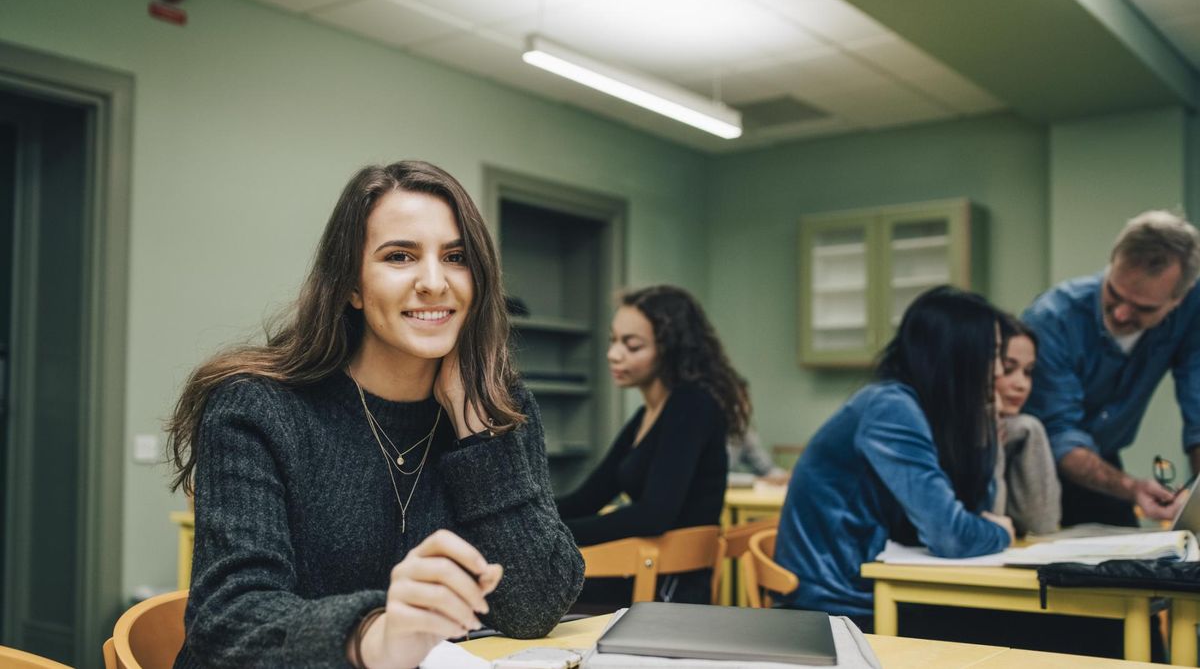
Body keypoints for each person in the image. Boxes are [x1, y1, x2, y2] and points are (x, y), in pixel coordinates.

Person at [167, 161, 583, 669]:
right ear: (352, 286)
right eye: (400, 256)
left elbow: (536, 609)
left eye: (455, 257)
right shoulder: (255, 408)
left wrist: (478, 435)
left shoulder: (501, 408)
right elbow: (229, 620)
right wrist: (375, 636)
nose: (434, 282)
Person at [774, 286, 1013, 627]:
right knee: (1026, 630)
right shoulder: (890, 408)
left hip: (878, 593)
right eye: (992, 355)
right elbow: (953, 536)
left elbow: (974, 509)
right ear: (958, 356)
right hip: (835, 607)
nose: (1000, 372)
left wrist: (981, 427)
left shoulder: (930, 412)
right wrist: (1000, 532)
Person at [555, 285, 749, 605]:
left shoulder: (692, 405)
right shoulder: (649, 414)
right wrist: (526, 520)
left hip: (672, 586)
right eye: (614, 341)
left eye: (632, 345)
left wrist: (552, 534)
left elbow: (654, 515)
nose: (613, 354)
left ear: (670, 349)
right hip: (644, 572)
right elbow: (588, 497)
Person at [1022, 210, 1200, 527]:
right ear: (1112, 262)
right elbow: (1060, 434)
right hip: (1043, 469)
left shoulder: (1191, 311)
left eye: (1143, 308)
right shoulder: (1053, 319)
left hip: (1104, 460)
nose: (1120, 314)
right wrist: (1132, 488)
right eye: (1114, 293)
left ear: (1178, 299)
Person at [992, 314, 1061, 535]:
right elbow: (992, 521)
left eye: (1028, 372)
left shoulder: (1022, 431)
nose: (1021, 384)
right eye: (1007, 368)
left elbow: (1041, 524)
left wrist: (1030, 432)